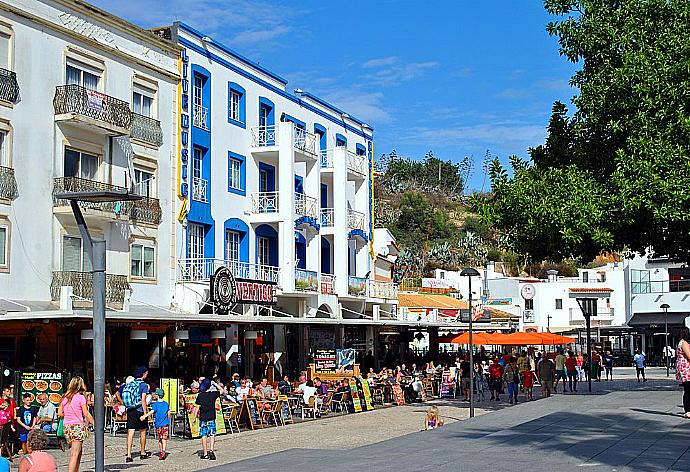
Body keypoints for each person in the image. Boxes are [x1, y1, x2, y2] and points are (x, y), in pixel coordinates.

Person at [58, 376, 94, 472]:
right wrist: (95, 423)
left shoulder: (65, 397)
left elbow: (60, 413)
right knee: (74, 453)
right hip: (77, 426)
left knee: (78, 452)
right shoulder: (80, 397)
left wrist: (68, 413)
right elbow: (86, 413)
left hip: (67, 427)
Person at [123, 366, 151, 463]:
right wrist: (145, 412)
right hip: (139, 410)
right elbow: (143, 400)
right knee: (142, 432)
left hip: (130, 410)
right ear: (143, 374)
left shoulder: (131, 383)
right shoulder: (144, 385)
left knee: (130, 432)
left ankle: (129, 455)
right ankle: (142, 452)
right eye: (146, 373)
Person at [194, 378, 223, 460]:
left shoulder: (200, 396)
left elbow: (197, 407)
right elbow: (222, 390)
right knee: (212, 435)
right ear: (209, 387)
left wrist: (194, 418)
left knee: (204, 435)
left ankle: (205, 453)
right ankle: (211, 450)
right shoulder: (213, 394)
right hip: (211, 417)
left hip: (203, 418)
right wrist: (215, 384)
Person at [140, 389, 170, 460]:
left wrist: (145, 416)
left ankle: (161, 452)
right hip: (165, 424)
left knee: (160, 439)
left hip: (158, 424)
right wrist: (168, 420)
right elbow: (168, 413)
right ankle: (163, 451)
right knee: (164, 439)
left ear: (157, 396)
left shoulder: (155, 404)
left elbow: (152, 412)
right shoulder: (166, 403)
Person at [675, 328, 690, 418]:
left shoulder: (680, 342)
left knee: (687, 389)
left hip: (683, 367)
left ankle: (688, 410)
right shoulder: (684, 343)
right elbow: (689, 355)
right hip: (686, 368)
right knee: (688, 389)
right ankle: (688, 410)